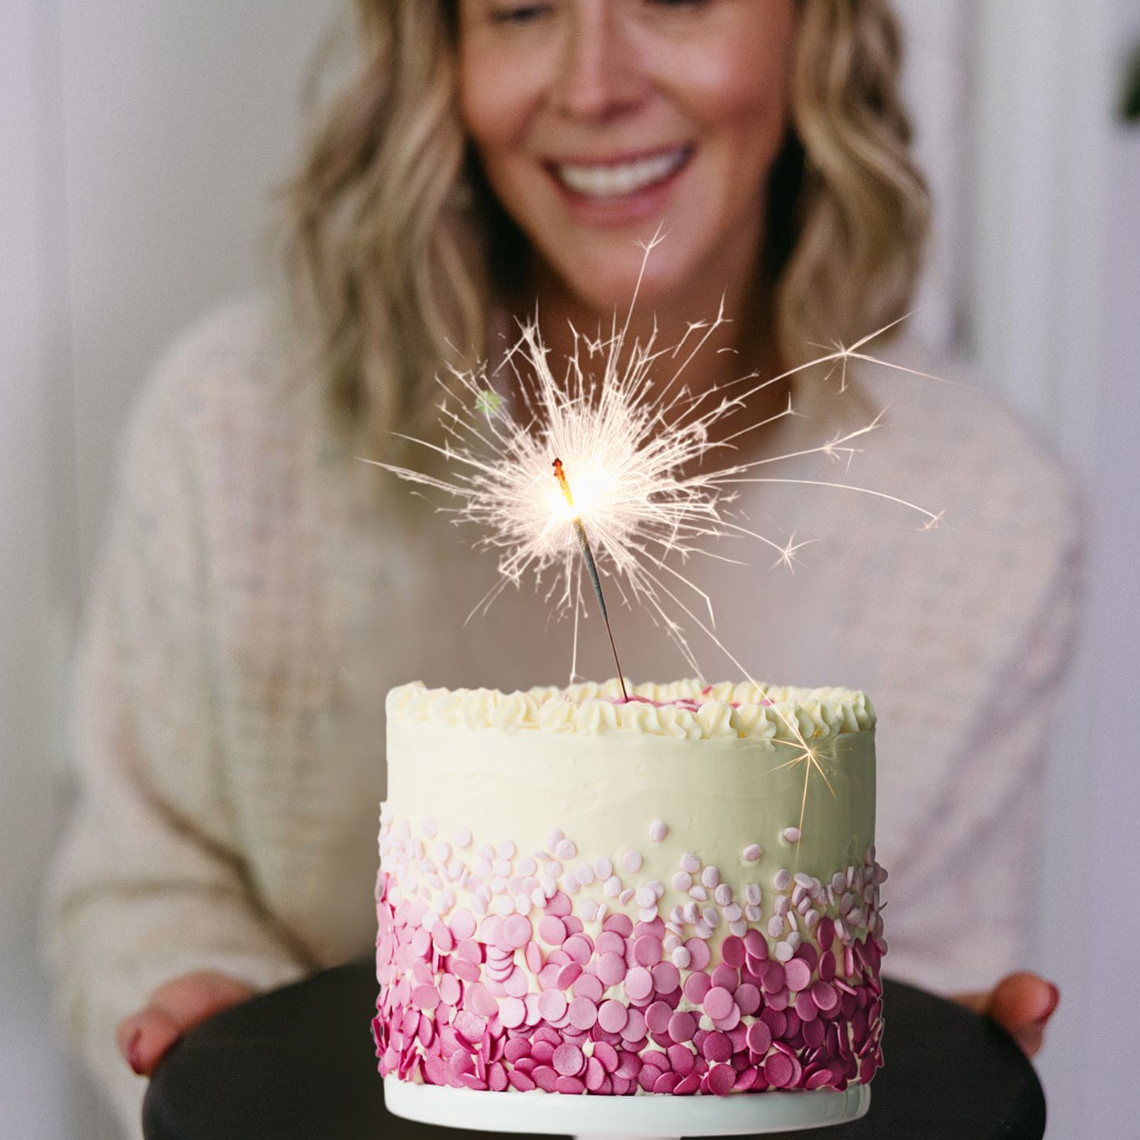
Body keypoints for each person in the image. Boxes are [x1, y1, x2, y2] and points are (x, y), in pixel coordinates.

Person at [46, 1, 1075, 1134]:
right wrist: (238, 1032)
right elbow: (140, 872)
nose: (593, 87)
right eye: (522, 8)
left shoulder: (989, 514)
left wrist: (924, 1048)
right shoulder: (231, 425)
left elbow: (912, 964)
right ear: (439, 52)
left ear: (814, 26)